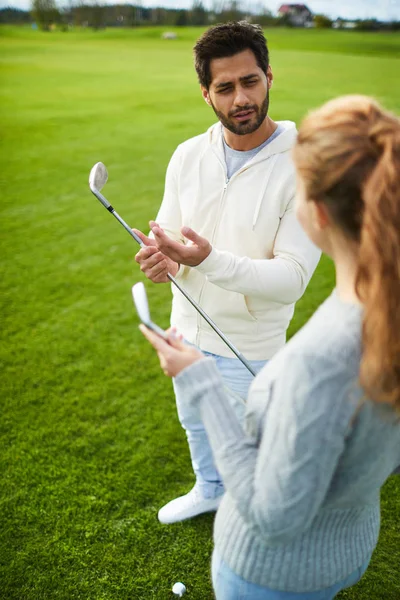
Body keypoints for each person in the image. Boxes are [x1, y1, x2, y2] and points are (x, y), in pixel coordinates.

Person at [140, 95, 400, 599]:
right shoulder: (380, 310)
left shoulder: (321, 361)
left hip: (272, 575)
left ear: (317, 213)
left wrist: (200, 382)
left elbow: (271, 516)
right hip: (344, 550)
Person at [134, 21, 320, 524]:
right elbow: (171, 236)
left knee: (258, 453)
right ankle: (209, 488)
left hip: (251, 344)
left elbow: (292, 278)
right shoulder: (187, 155)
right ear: (206, 94)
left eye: (250, 81)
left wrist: (206, 260)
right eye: (225, 87)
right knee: (195, 420)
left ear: (268, 77)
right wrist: (165, 258)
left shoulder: (306, 166)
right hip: (186, 328)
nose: (241, 98)